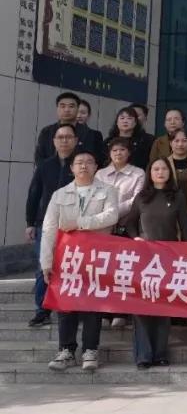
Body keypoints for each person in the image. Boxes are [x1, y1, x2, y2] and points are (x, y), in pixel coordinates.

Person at [40, 149, 119, 372]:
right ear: (72, 168)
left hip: (96, 257)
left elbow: (111, 216)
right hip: (67, 258)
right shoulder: (59, 194)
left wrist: (80, 223)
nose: (84, 165)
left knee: (93, 303)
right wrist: (46, 262)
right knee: (66, 303)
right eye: (79, 162)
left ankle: (90, 350)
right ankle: (66, 351)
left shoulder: (108, 190)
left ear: (96, 167)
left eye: (89, 162)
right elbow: (48, 229)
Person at [125, 159, 187, 369]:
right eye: (156, 169)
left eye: (164, 168)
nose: (160, 172)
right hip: (144, 259)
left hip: (168, 258)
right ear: (150, 173)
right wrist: (135, 237)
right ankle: (144, 355)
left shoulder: (177, 196)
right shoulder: (142, 197)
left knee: (163, 306)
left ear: (169, 172)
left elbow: (185, 227)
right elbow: (129, 223)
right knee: (141, 306)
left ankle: (161, 353)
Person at [25, 123, 77, 327]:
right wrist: (30, 222)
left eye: (68, 137)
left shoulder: (82, 163)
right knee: (43, 266)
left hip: (75, 225)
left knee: (72, 266)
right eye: (60, 137)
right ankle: (42, 309)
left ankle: (72, 306)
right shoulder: (45, 166)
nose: (64, 141)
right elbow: (34, 194)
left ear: (75, 140)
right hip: (45, 224)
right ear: (54, 141)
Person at [95, 137, 146, 238]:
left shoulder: (138, 173)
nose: (118, 153)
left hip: (126, 227)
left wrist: (112, 213)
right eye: (114, 150)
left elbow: (136, 200)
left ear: (129, 153)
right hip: (101, 225)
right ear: (110, 153)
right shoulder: (100, 174)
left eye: (122, 149)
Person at [35, 92, 104, 166]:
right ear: (57, 109)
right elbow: (39, 158)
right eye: (62, 106)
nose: (67, 110)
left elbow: (98, 162)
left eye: (71, 106)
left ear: (77, 109)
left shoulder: (93, 135)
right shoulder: (46, 132)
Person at [76, 99, 106, 164]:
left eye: (83, 113)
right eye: (76, 112)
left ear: (88, 115)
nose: (79, 116)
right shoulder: (63, 132)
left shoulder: (96, 135)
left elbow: (100, 159)